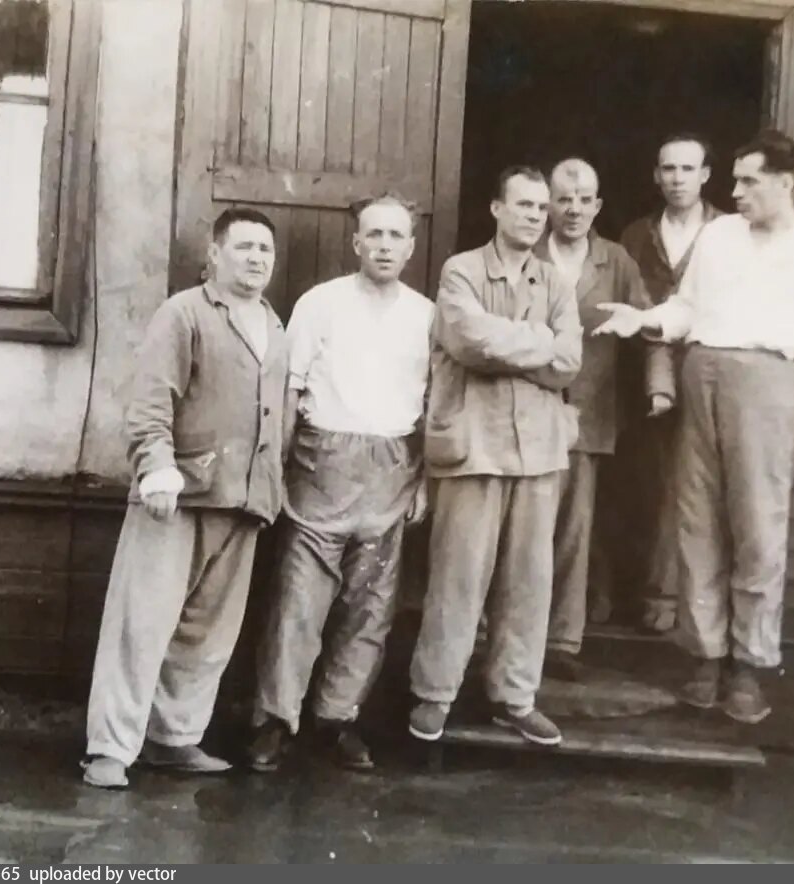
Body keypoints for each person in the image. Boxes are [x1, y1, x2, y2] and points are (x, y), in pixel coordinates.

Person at [594, 130, 794, 724]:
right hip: (701, 372)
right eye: (734, 180)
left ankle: (748, 665)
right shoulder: (718, 237)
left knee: (758, 524)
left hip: (765, 382)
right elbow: (687, 309)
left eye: (749, 181)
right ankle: (705, 657)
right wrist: (644, 320)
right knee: (696, 519)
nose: (735, 192)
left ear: (784, 183)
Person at [82, 207, 289, 789]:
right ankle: (109, 750)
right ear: (214, 254)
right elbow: (152, 399)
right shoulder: (184, 313)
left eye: (265, 249)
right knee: (140, 625)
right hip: (178, 497)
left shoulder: (276, 328)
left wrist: (271, 488)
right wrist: (155, 469)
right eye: (244, 247)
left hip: (243, 502)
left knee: (206, 635)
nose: (256, 258)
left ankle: (172, 740)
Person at [247, 194, 433, 773]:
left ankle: (337, 718)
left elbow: (434, 404)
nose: (384, 246)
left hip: (393, 466)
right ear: (356, 243)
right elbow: (290, 388)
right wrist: (277, 465)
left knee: (370, 605)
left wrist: (423, 479)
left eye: (395, 236)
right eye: (374, 234)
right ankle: (275, 720)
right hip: (321, 462)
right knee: (299, 600)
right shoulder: (320, 303)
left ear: (411, 246)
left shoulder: (426, 315)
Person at [407, 166, 583, 746]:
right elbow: (468, 341)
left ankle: (515, 697)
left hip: (539, 452)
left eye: (541, 207)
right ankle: (435, 693)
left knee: (529, 582)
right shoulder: (461, 271)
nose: (535, 216)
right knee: (458, 578)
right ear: (496, 209)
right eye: (524, 205)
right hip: (474, 447)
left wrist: (512, 344)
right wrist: (538, 343)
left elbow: (570, 361)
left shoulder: (555, 283)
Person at [536, 157, 648, 682]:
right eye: (564, 199)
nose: (574, 209)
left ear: (598, 205)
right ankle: (509, 633)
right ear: (547, 205)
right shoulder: (528, 252)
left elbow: (647, 324)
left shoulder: (616, 261)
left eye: (584, 200)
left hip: (587, 414)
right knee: (523, 529)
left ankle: (561, 640)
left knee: (572, 531)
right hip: (528, 412)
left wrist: (661, 386)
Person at [618, 133, 723, 635]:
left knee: (694, 487)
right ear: (656, 176)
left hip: (705, 371)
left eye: (687, 169)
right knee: (645, 484)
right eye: (668, 169)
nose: (677, 179)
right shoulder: (636, 235)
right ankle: (628, 592)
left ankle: (675, 598)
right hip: (640, 376)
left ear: (705, 175)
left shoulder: (728, 233)